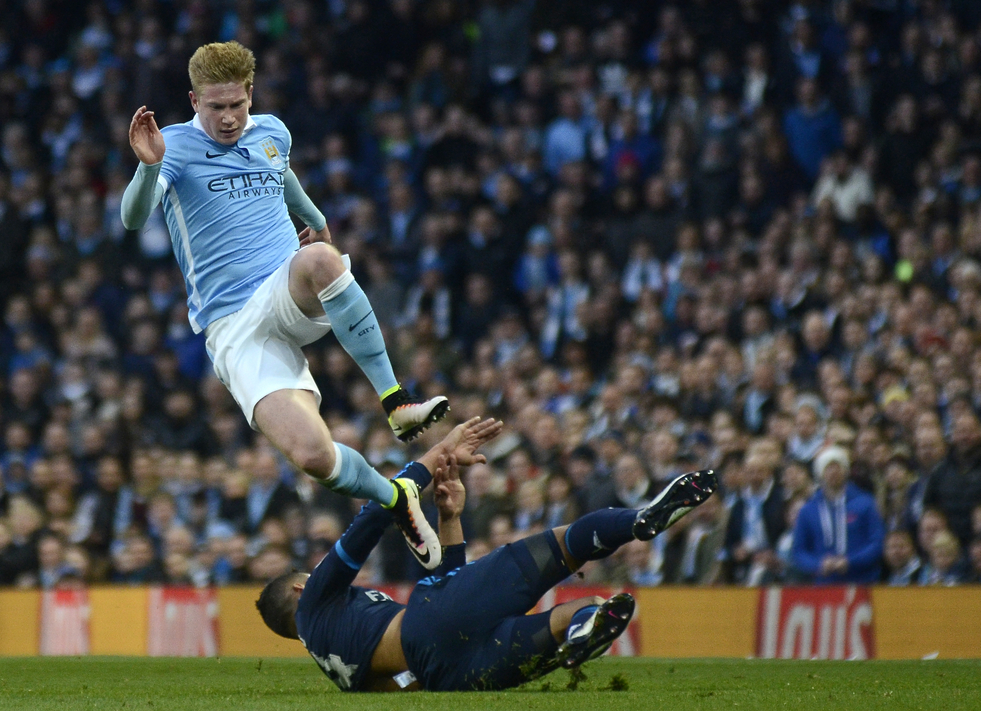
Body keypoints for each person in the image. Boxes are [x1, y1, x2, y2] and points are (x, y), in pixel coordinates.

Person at [119, 42, 449, 568]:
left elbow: (286, 180)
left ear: (250, 94)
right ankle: (395, 498)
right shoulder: (172, 147)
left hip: (281, 284)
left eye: (236, 104)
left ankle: (396, 401)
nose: (227, 118)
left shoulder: (273, 131)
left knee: (321, 258)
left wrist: (317, 221)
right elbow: (134, 220)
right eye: (214, 106)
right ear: (193, 99)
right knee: (314, 456)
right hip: (232, 325)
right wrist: (146, 168)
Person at [255, 416, 718, 692]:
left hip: (445, 669)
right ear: (301, 586)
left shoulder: (334, 668)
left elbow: (409, 682)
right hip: (427, 621)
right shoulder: (315, 596)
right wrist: (438, 451)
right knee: (562, 545)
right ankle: (640, 519)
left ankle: (584, 630)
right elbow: (378, 512)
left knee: (573, 617)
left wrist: (450, 517)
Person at [791, 446, 885, 584]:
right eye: (828, 468)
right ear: (820, 473)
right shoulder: (808, 510)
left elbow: (877, 542)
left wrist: (851, 562)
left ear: (846, 471)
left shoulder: (865, 503)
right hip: (824, 586)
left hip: (863, 582)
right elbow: (799, 551)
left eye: (838, 467)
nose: (833, 472)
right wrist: (818, 564)